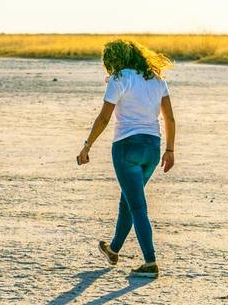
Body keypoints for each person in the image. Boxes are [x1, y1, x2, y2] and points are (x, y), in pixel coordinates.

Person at [76, 39, 176, 278]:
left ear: (114, 60)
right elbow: (170, 119)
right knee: (128, 200)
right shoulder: (157, 79)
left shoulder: (119, 78)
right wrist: (170, 150)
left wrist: (87, 146)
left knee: (137, 206)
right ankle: (113, 249)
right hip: (152, 148)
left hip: (126, 148)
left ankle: (150, 262)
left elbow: (103, 118)